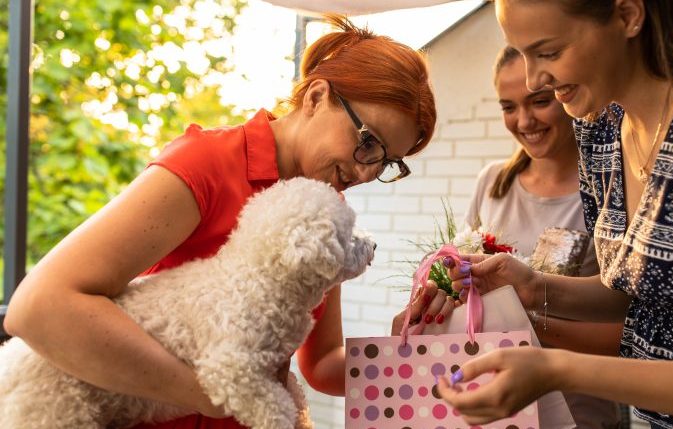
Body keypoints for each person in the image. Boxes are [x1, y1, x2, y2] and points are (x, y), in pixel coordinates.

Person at [3, 15, 436, 429]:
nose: (366, 172)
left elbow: (321, 363)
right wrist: (211, 392)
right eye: (367, 143)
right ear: (317, 96)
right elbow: (39, 306)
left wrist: (412, 359)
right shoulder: (206, 164)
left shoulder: (325, 209)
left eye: (386, 162)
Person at [436, 1, 673, 428]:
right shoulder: (599, 129)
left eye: (548, 53)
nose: (537, 79)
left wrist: (559, 369)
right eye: (523, 54)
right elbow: (639, 293)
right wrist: (533, 288)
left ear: (628, 15)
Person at [463, 45, 623, 429]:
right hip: (499, 409)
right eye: (508, 106)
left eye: (538, 101)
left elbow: (627, 331)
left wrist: (525, 321)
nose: (524, 120)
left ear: (566, 94)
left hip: (580, 414)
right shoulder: (493, 182)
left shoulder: (608, 188)